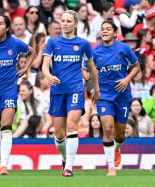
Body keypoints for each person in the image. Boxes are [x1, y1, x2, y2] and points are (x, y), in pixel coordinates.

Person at [42, 10, 100, 177]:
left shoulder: (83, 44)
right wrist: (48, 76)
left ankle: (69, 167)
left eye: (68, 21)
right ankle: (65, 157)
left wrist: (96, 89)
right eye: (63, 20)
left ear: (75, 24)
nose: (65, 23)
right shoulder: (52, 42)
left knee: (72, 126)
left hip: (76, 89)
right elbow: (45, 65)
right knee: (59, 134)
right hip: (57, 91)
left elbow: (92, 69)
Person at [0, 14, 35, 175]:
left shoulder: (15, 44)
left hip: (9, 90)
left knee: (6, 126)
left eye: (0, 24)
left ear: (7, 27)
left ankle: (4, 165)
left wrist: (25, 68)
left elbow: (32, 51)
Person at [87, 20, 141, 176]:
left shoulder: (123, 48)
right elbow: (86, 71)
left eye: (108, 29)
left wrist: (126, 79)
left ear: (115, 33)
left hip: (122, 96)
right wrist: (90, 85)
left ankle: (117, 149)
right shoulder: (95, 52)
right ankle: (111, 167)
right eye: (102, 29)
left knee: (120, 134)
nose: (104, 31)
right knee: (108, 128)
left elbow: (137, 67)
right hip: (104, 96)